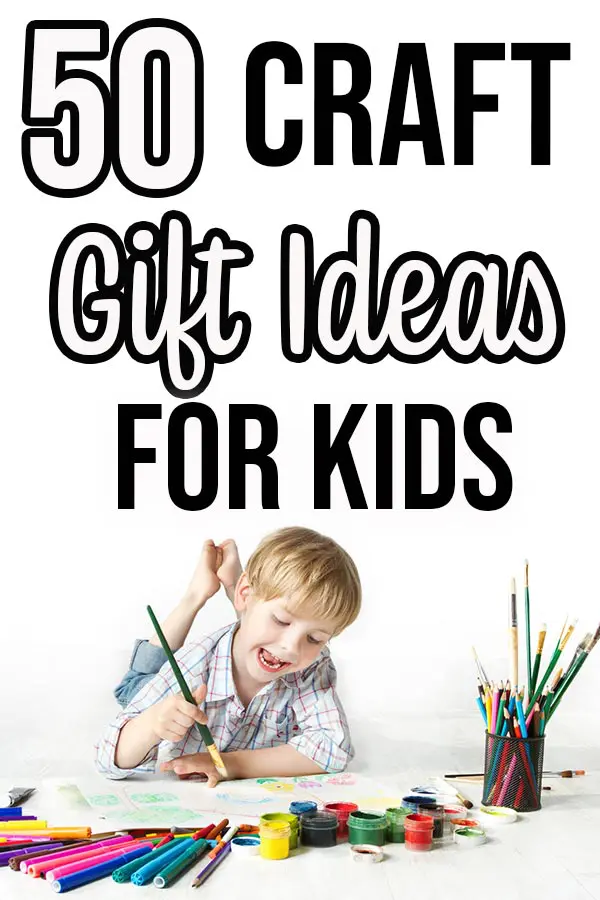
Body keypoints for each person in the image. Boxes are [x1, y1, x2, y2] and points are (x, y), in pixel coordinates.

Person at [95, 526, 361, 786]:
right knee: (135, 686)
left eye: (314, 638)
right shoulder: (196, 663)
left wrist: (230, 765)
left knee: (256, 632)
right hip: (165, 681)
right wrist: (153, 723)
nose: (292, 647)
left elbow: (333, 748)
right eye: (281, 620)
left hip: (248, 621)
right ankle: (197, 594)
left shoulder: (312, 664)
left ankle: (236, 585)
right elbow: (107, 758)